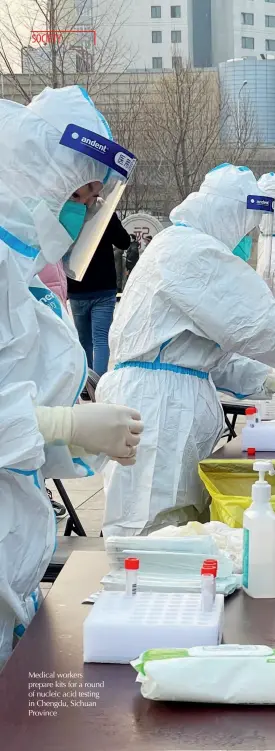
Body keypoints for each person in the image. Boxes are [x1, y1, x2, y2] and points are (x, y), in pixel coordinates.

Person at [0, 84, 143, 667]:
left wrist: (75, 435)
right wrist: (64, 422)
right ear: (39, 173)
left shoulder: (23, 272)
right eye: (80, 193)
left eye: (92, 198)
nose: (83, 210)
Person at [96, 164, 275, 539]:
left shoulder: (179, 246)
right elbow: (261, 327)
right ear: (229, 215)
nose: (244, 239)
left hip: (163, 399)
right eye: (245, 226)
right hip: (161, 411)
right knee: (152, 527)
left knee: (172, 526)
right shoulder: (194, 252)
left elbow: (213, 356)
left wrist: (267, 379)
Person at [68, 212, 130, 377]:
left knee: (84, 340)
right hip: (104, 286)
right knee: (101, 339)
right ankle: (99, 384)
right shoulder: (106, 212)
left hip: (76, 286)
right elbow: (124, 242)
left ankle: (86, 384)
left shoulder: (69, 210)